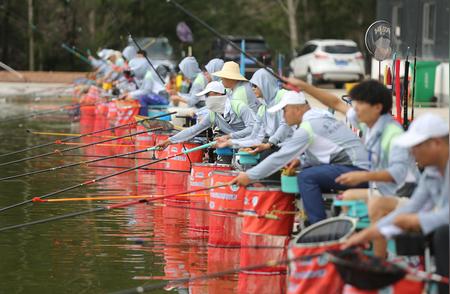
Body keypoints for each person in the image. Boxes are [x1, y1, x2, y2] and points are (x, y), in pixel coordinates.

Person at [285, 77, 419, 256]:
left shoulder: (392, 134)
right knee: (346, 197)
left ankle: (379, 261)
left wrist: (363, 176)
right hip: (383, 187)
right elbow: (334, 102)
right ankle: (349, 247)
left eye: (360, 104)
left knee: (376, 206)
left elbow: (398, 173)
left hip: (405, 192)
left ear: (377, 107)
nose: (354, 109)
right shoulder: (370, 123)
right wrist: (304, 86)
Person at [343, 113, 449, 294]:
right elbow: (411, 207)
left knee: (443, 233)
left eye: (416, 146)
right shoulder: (432, 171)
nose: (412, 153)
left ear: (436, 143)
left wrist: (418, 221)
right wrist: (367, 234)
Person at [233, 91, 370, 224]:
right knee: (309, 172)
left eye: (284, 111)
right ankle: (325, 214)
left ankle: (317, 226)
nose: (283, 117)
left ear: (297, 109)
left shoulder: (307, 128)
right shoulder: (323, 117)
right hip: (359, 167)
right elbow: (327, 151)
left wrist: (250, 175)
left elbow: (279, 158)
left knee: (306, 177)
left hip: (358, 171)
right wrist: (301, 161)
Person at [156, 81, 256, 152]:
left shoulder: (239, 107)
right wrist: (169, 141)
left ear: (219, 94)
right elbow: (194, 130)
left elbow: (252, 128)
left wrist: (228, 137)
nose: (207, 99)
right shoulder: (213, 114)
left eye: (209, 95)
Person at [215, 69, 292, 156]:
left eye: (255, 85)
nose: (252, 88)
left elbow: (285, 124)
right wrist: (229, 142)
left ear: (265, 84)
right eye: (252, 85)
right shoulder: (263, 108)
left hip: (290, 145)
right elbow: (254, 137)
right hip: (275, 145)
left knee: (264, 157)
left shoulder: (283, 96)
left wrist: (269, 144)